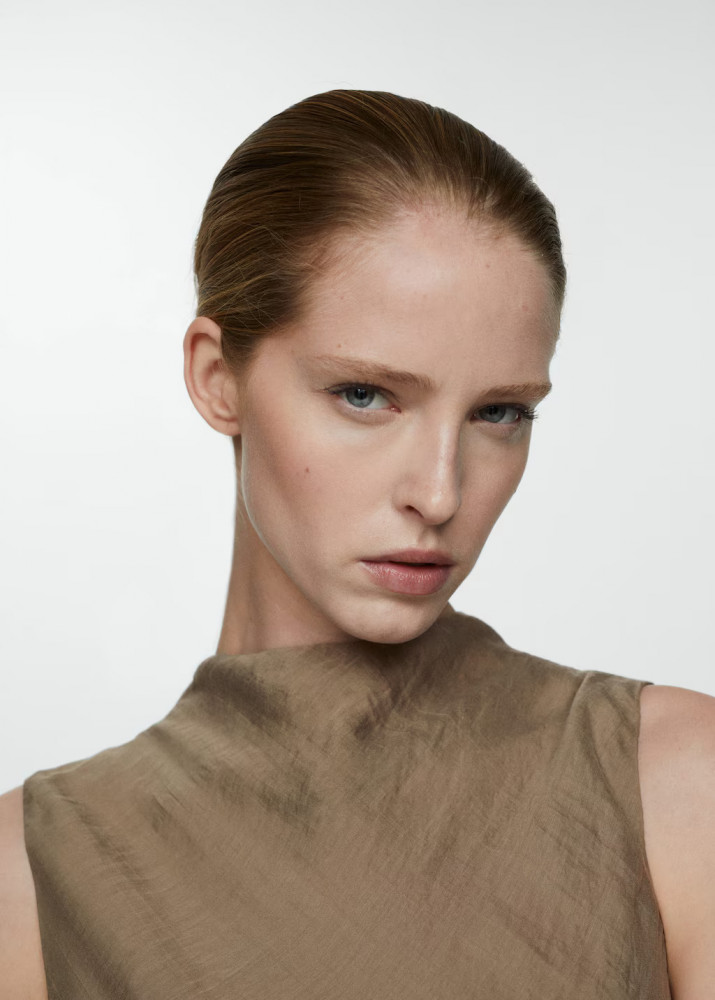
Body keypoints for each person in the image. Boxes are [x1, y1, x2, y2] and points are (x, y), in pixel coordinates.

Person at [1, 89, 713, 998]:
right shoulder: (36, 879)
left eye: (499, 413)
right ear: (217, 379)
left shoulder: (675, 785)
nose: (439, 493)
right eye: (365, 396)